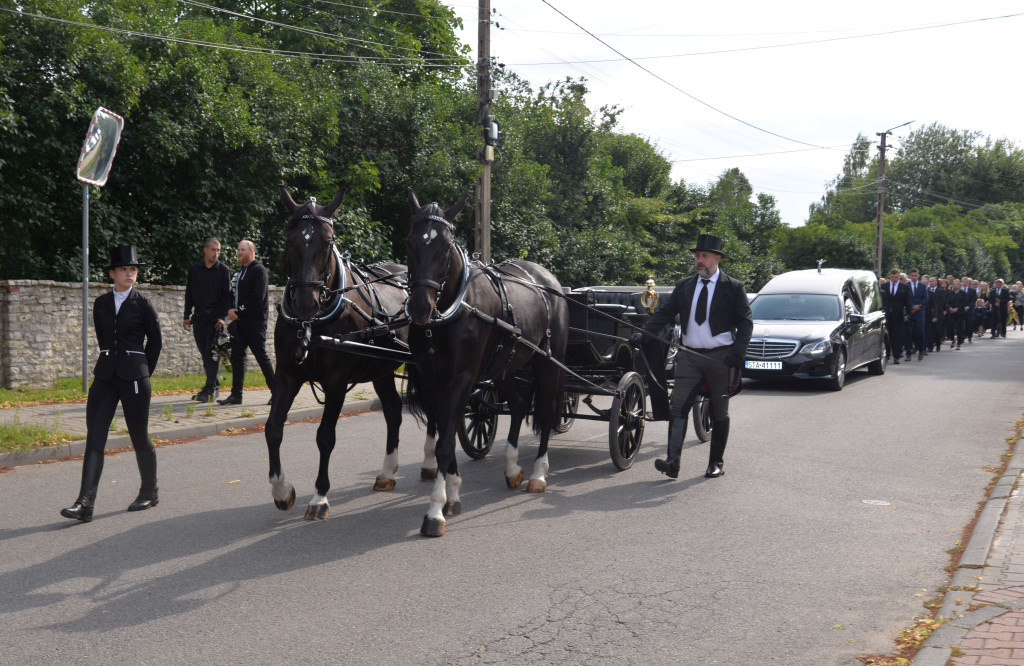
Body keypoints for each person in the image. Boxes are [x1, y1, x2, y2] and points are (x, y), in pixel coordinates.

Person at [634, 233, 752, 480]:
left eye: (705, 256)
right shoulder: (685, 285)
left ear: (717, 258)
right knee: (678, 408)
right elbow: (665, 312)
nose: (700, 260)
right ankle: (672, 462)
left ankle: (716, 463)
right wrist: (644, 333)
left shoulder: (733, 287)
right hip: (689, 356)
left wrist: (738, 353)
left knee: (720, 412)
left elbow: (745, 323)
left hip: (720, 357)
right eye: (698, 256)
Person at [61, 246, 163, 522]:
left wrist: (143, 372)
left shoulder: (143, 303)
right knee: (95, 437)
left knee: (138, 436)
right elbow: (102, 338)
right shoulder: (101, 303)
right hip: (105, 376)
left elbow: (155, 343)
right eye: (124, 269)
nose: (129, 274)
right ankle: (85, 503)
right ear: (112, 273)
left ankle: (149, 491)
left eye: (133, 269)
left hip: (135, 378)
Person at [218, 239, 275, 405]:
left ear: (251, 252)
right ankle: (236, 395)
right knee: (237, 358)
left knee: (261, 357)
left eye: (242, 250)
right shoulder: (239, 273)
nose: (239, 253)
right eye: (238, 250)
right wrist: (229, 310)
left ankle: (276, 392)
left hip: (255, 322)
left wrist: (239, 310)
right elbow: (231, 294)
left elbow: (258, 296)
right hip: (239, 324)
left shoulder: (259, 271)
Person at [183, 238, 232, 402]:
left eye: (218, 250)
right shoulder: (195, 269)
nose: (216, 253)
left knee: (212, 355)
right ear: (205, 250)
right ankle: (214, 385)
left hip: (215, 319)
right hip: (199, 318)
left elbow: (227, 296)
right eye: (213, 250)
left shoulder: (223, 270)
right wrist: (186, 316)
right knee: (205, 355)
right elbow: (189, 293)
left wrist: (222, 317)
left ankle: (209, 389)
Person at [880, 268, 910, 364]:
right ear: (890, 276)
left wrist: (908, 314)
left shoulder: (904, 287)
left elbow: (908, 302)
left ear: (899, 277)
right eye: (892, 277)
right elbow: (880, 301)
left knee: (897, 337)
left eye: (896, 277)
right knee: (886, 336)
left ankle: (896, 356)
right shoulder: (884, 286)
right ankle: (887, 355)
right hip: (886, 315)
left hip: (898, 316)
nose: (894, 279)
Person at [904, 268, 929, 361]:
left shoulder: (923, 286)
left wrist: (919, 306)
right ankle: (908, 354)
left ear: (918, 275)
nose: (914, 277)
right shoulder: (906, 285)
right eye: (912, 275)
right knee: (908, 333)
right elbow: (906, 298)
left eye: (916, 275)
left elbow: (926, 298)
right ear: (910, 276)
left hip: (920, 312)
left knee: (920, 332)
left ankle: (921, 350)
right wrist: (912, 306)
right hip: (910, 311)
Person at [945, 279, 968, 349]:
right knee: (950, 327)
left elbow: (964, 303)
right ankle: (952, 339)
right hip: (951, 312)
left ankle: (959, 343)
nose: (956, 285)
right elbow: (947, 302)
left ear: (960, 285)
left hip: (960, 312)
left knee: (959, 328)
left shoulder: (963, 293)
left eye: (957, 284)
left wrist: (957, 308)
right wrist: (950, 308)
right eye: (955, 284)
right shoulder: (950, 293)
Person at [926, 276, 946, 353]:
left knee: (937, 330)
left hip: (938, 314)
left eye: (933, 281)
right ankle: (930, 346)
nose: (931, 283)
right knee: (929, 330)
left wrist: (935, 309)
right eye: (930, 281)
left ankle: (938, 344)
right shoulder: (926, 290)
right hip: (929, 314)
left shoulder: (941, 291)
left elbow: (942, 302)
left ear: (937, 282)